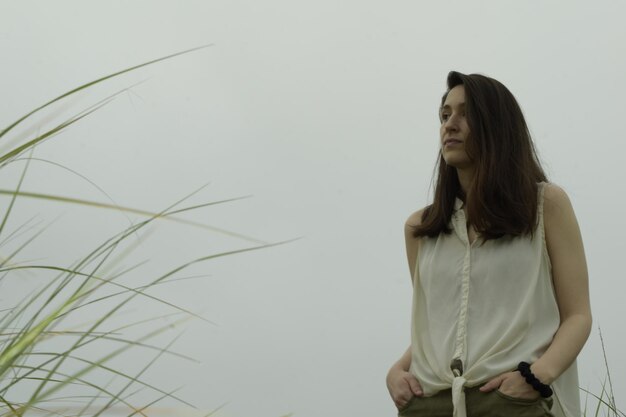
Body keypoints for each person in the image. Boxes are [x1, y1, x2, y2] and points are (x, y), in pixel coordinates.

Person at [386, 71, 591, 417]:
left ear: (497, 125)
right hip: (430, 405)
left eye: (466, 113)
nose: (450, 124)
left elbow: (577, 316)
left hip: (513, 401)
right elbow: (441, 326)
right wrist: (397, 370)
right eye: (445, 115)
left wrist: (536, 378)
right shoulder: (419, 229)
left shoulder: (546, 206)